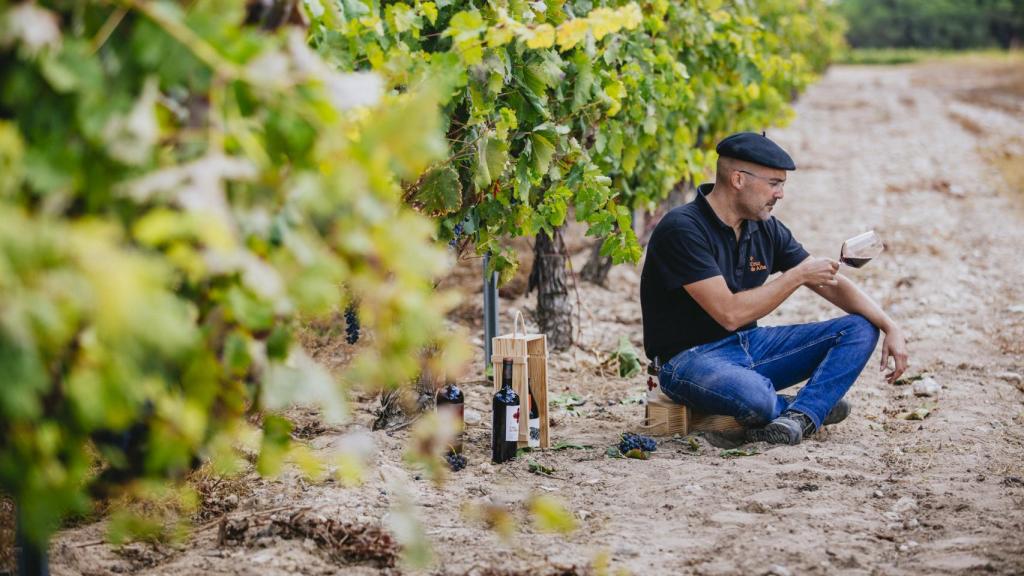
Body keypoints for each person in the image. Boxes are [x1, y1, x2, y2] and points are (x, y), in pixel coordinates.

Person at [640, 132, 909, 445]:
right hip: (688, 361)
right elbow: (729, 314)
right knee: (755, 397)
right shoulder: (683, 229)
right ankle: (807, 408)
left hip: (749, 346)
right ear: (738, 179)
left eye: (783, 185)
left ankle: (800, 416)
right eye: (774, 183)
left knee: (861, 328)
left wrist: (890, 325)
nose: (780, 194)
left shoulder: (764, 227)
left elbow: (830, 283)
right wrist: (796, 276)